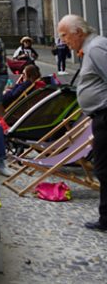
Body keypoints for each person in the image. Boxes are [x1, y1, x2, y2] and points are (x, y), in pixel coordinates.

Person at [56, 14, 107, 231]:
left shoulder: (96, 48)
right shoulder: (92, 48)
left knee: (104, 169)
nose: (63, 40)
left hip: (105, 115)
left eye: (65, 35)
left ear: (79, 32)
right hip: (100, 115)